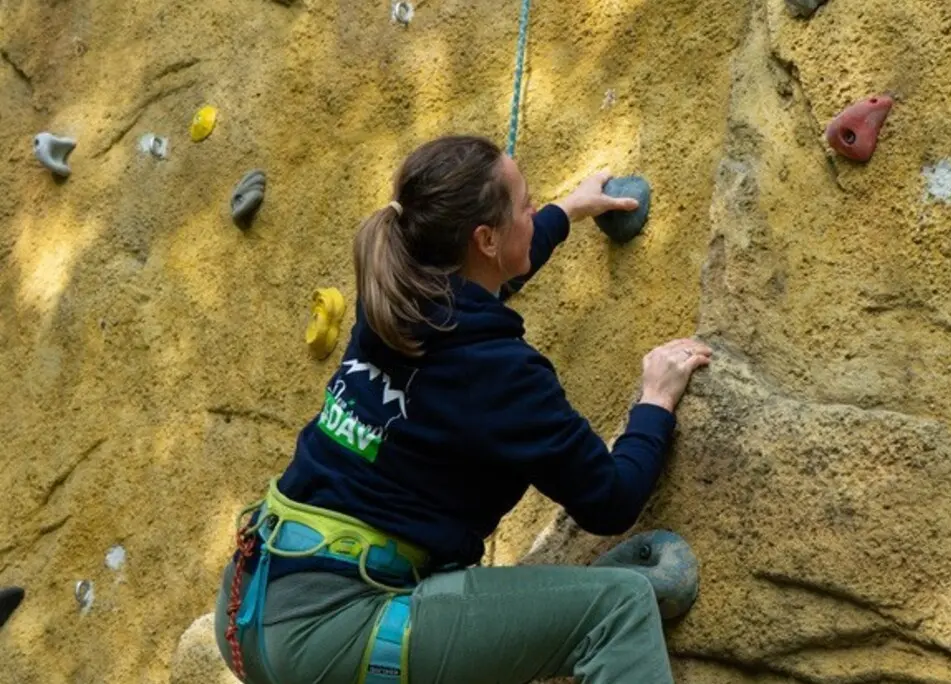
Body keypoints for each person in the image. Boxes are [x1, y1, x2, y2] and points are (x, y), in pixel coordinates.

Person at [213, 134, 713, 684]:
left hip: (253, 603)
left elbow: (482, 282)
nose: (534, 208)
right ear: (484, 239)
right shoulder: (500, 373)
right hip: (333, 629)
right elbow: (610, 501)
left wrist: (566, 212)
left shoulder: (390, 303)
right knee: (618, 610)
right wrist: (656, 400)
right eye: (526, 204)